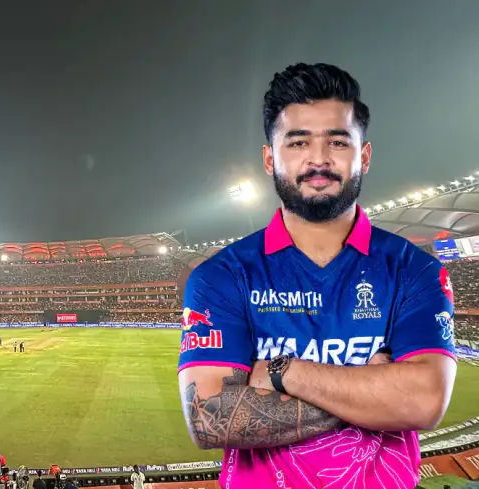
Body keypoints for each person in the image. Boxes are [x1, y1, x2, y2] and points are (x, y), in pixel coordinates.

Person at [178, 63, 457, 489]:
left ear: (364, 155)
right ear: (270, 158)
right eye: (298, 142)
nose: (319, 158)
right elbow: (210, 419)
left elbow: (424, 401)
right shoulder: (221, 276)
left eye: (338, 141)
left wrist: (281, 372)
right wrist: (371, 391)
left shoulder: (415, 270)